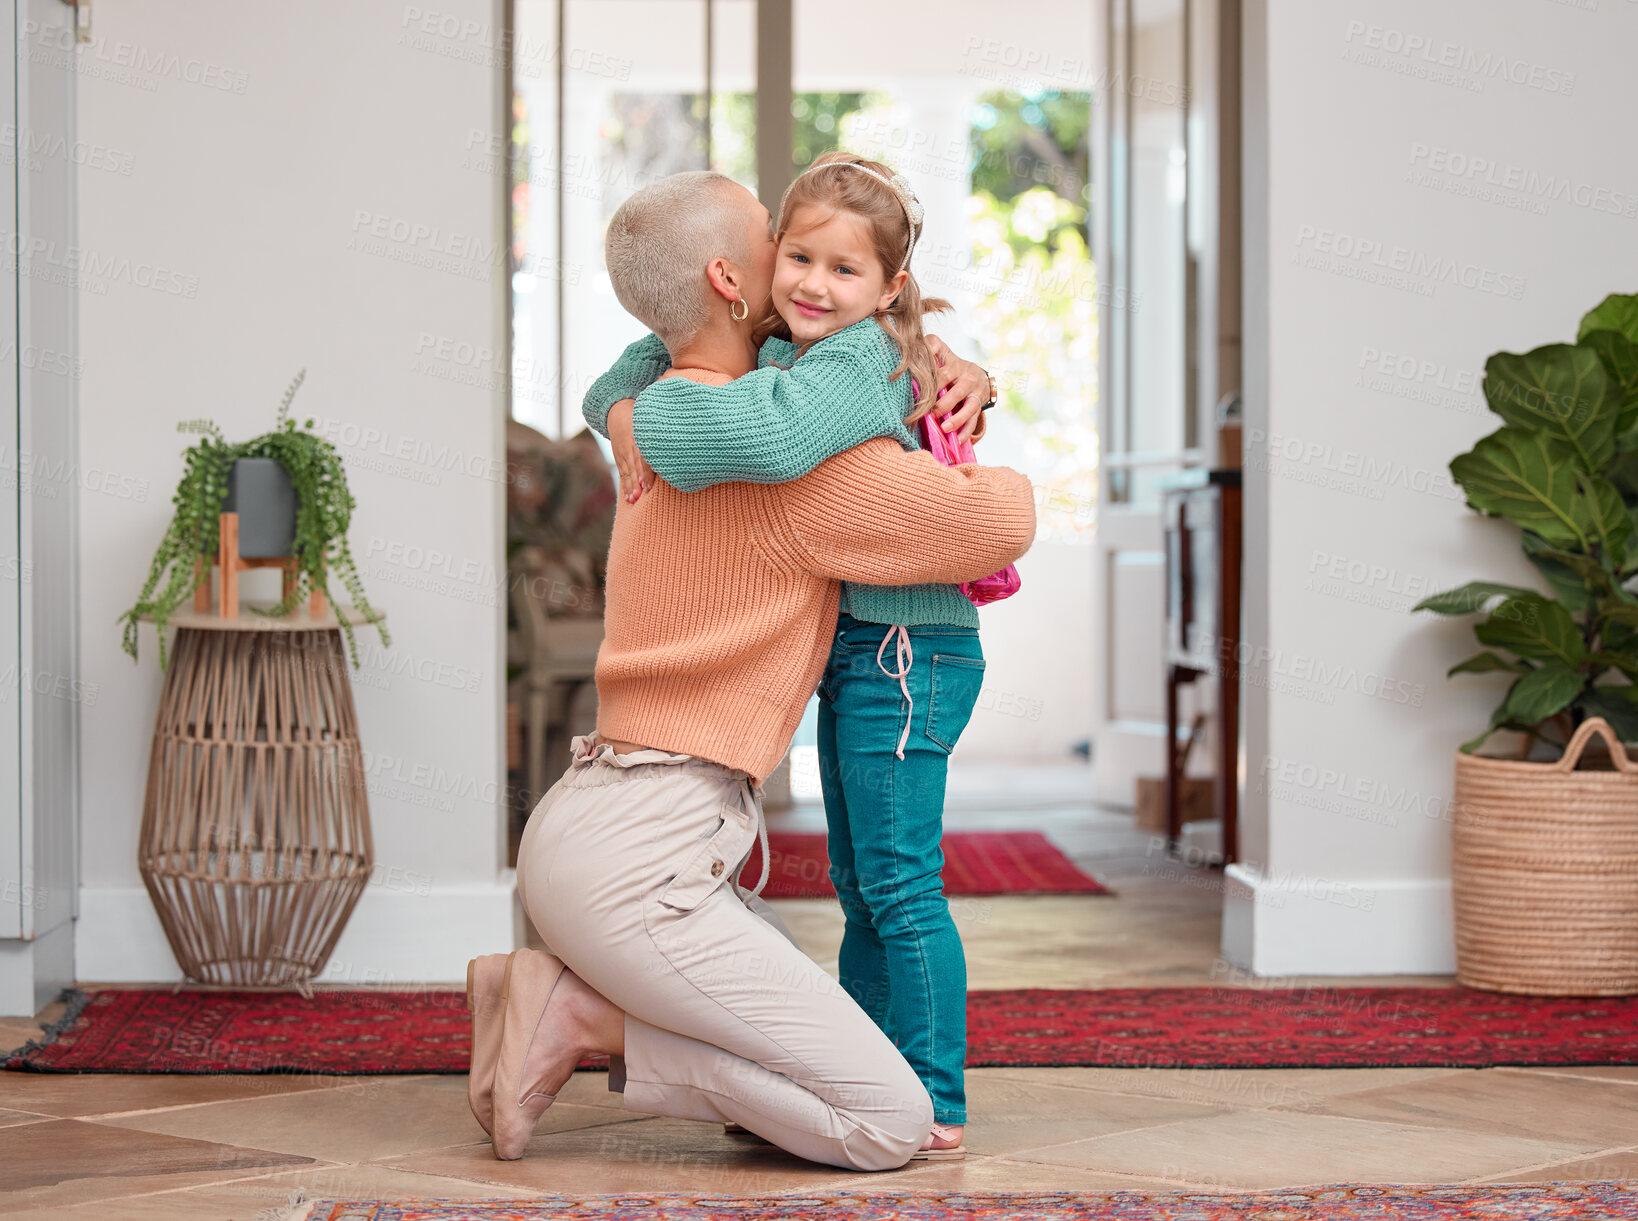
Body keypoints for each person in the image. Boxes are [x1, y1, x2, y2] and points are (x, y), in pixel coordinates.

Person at [465, 169, 1036, 1171]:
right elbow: (999, 521)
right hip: (650, 855)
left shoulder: (659, 410)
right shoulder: (779, 452)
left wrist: (935, 360)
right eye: (784, 242)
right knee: (885, 1115)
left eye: (834, 259)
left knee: (879, 900)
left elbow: (651, 375)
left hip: (579, 824)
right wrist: (977, 431)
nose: (804, 266)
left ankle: (567, 1000)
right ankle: (583, 1020)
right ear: (737, 280)